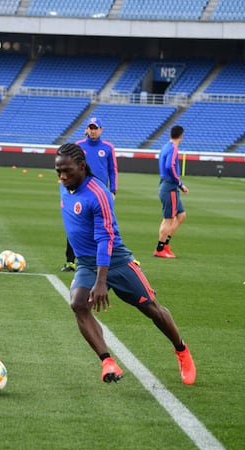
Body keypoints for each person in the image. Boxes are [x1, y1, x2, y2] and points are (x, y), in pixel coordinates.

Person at [55, 143, 196, 385]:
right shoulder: (66, 186)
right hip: (88, 264)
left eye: (66, 171)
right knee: (78, 304)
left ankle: (181, 350)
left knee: (152, 309)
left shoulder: (98, 194)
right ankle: (107, 361)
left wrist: (101, 282)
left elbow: (105, 239)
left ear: (81, 166)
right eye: (58, 171)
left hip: (116, 261)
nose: (62, 176)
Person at [61, 117, 118, 272]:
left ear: (101, 130)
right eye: (90, 128)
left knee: (104, 228)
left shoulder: (108, 147)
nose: (93, 131)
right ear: (86, 129)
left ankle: (106, 261)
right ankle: (70, 261)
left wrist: (112, 190)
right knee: (76, 225)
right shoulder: (78, 146)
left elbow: (113, 170)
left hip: (101, 196)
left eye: (95, 128)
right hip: (81, 192)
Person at [154, 125, 188, 259]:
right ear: (181, 136)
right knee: (168, 219)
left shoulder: (165, 147)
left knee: (181, 215)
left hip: (166, 184)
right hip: (170, 186)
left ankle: (165, 244)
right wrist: (180, 184)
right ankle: (160, 249)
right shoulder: (173, 148)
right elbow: (170, 166)